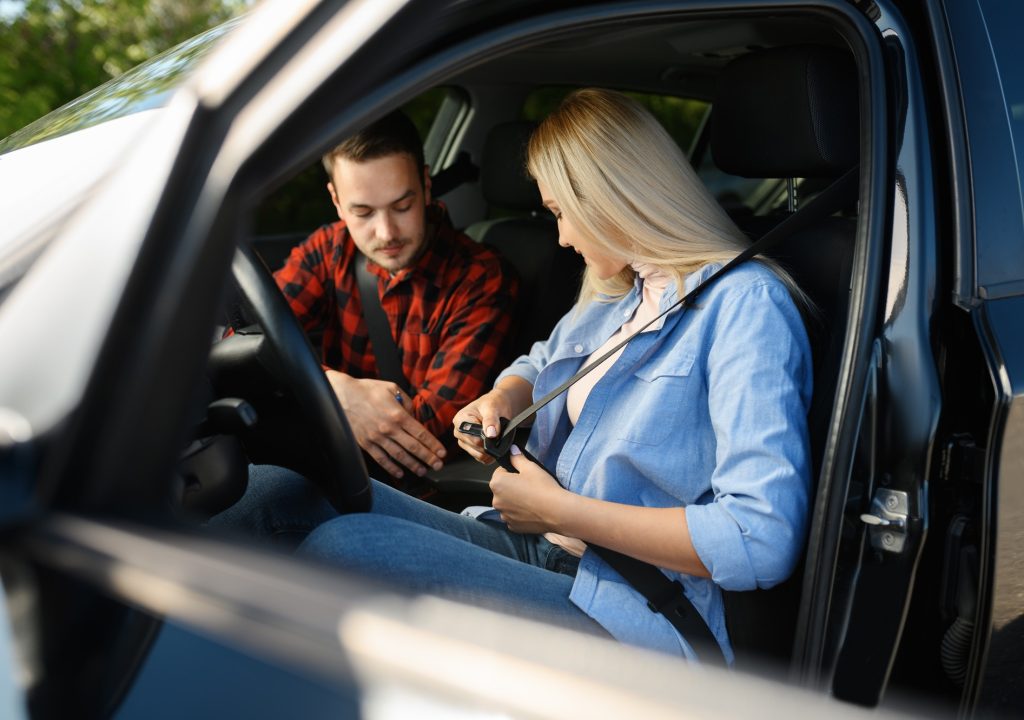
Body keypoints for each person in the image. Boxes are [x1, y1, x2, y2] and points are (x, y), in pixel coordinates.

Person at [222, 89, 812, 662]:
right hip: (548, 546)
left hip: (638, 603)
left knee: (344, 549)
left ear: (611, 197)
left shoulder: (745, 303)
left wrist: (560, 511)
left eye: (561, 213)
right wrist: (502, 397)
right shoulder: (620, 291)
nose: (562, 237)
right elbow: (538, 361)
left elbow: (759, 538)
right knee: (272, 491)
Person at [272, 110, 519, 486]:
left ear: (426, 185)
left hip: (417, 488)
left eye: (402, 207)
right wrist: (336, 392)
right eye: (363, 212)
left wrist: (309, 394)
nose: (386, 232)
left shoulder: (481, 277)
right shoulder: (327, 250)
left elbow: (429, 433)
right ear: (336, 200)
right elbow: (247, 340)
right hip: (331, 470)